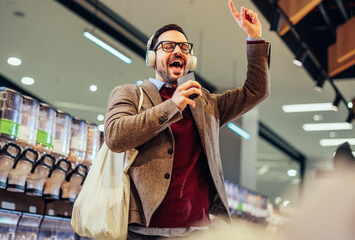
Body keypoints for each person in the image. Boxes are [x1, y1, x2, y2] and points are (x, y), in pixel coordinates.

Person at [104, 0, 270, 239]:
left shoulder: (206, 103)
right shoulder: (130, 93)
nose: (178, 51)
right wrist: (172, 105)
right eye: (168, 46)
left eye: (184, 47)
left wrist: (254, 39)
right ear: (152, 57)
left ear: (190, 60)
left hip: (197, 230)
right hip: (143, 230)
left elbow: (256, 92)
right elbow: (115, 137)